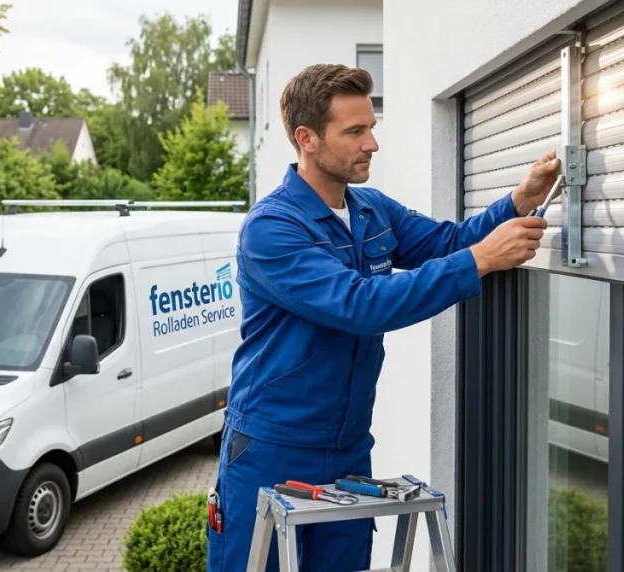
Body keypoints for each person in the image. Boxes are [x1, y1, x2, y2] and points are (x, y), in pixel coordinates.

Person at [206, 63, 560, 571]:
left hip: (348, 447)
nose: (372, 143)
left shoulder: (372, 210)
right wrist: (482, 260)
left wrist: (521, 198)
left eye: (371, 127)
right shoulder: (271, 230)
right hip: (270, 449)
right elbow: (359, 304)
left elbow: (449, 242)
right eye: (354, 131)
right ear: (306, 139)